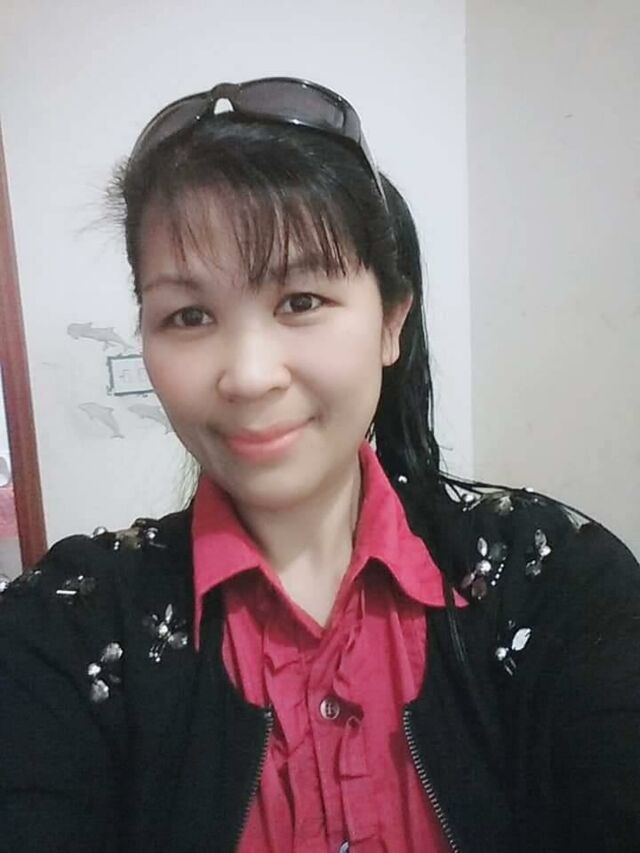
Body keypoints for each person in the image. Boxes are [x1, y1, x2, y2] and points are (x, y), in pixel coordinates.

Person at [0, 77, 638, 853]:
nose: (249, 376)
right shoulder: (63, 630)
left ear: (391, 320)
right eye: (189, 315)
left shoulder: (555, 579)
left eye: (300, 300)